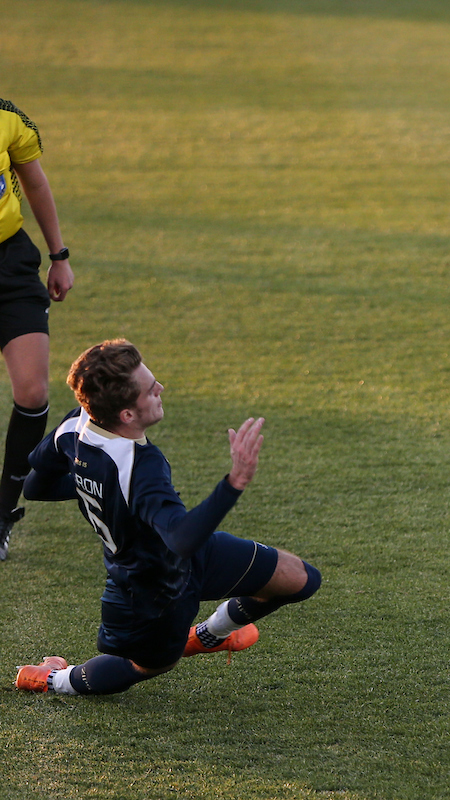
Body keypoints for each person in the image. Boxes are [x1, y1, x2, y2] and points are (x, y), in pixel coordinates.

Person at [13, 340, 321, 695]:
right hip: (152, 589)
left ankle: (209, 634)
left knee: (301, 579)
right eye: (149, 389)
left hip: (191, 557)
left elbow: (37, 485)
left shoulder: (75, 425)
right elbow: (180, 538)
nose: (160, 388)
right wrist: (234, 482)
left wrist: (102, 490)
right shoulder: (141, 466)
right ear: (127, 414)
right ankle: (54, 679)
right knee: (146, 666)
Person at [0, 98, 75, 560]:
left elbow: (36, 182)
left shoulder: (8, 118)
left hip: (10, 263)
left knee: (32, 393)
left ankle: (3, 514)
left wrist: (59, 255)